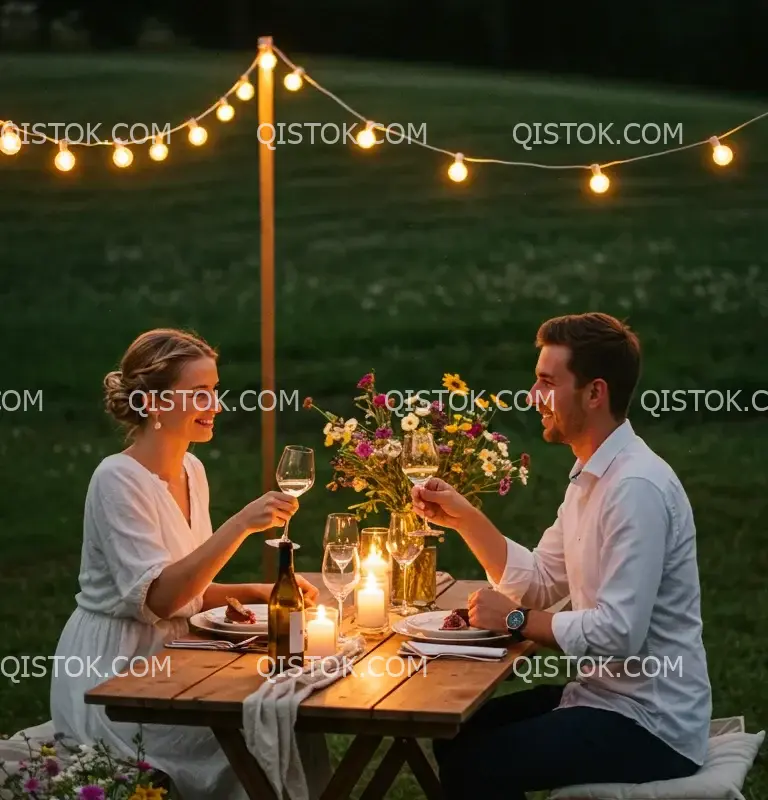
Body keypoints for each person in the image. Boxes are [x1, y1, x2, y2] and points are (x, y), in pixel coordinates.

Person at [412, 313, 712, 800]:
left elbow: (618, 633)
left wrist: (514, 618)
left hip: (653, 723)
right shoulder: (591, 476)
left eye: (547, 383)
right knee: (457, 734)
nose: (533, 396)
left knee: (477, 765)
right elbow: (539, 580)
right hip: (601, 698)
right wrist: (464, 518)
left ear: (595, 393)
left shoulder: (634, 487)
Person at [50, 328, 321, 800]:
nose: (214, 405)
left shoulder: (192, 470)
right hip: (117, 675)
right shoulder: (117, 479)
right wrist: (239, 526)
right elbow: (158, 598)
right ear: (152, 403)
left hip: (180, 655)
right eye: (198, 394)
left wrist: (257, 592)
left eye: (214, 391)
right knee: (257, 732)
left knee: (286, 718)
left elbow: (188, 587)